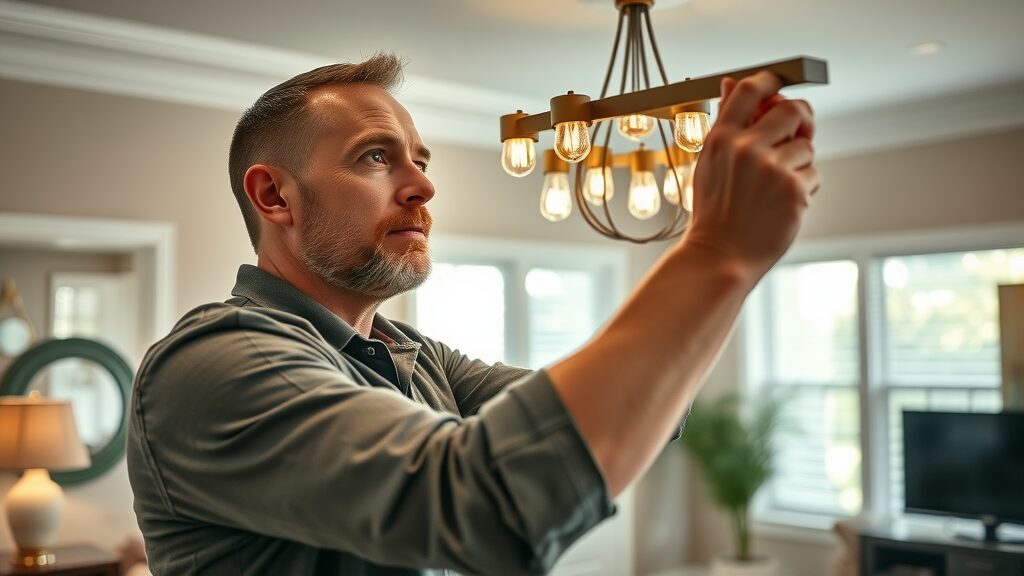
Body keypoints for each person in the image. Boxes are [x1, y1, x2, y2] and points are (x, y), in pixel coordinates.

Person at [127, 53, 818, 576]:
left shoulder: (413, 358)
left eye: (420, 161)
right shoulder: (213, 365)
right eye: (376, 157)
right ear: (274, 196)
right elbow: (485, 503)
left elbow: (645, 414)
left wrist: (732, 261)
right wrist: (718, 253)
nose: (424, 185)